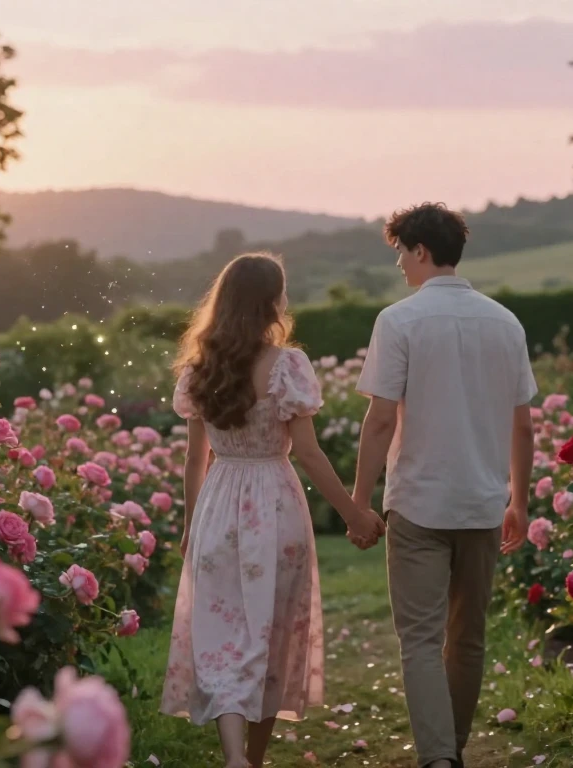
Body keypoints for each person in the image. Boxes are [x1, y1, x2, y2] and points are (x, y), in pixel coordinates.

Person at [160, 252, 387, 768]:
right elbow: (308, 452)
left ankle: (238, 758)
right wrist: (354, 513)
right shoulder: (287, 366)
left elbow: (196, 458)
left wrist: (192, 525)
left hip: (219, 503)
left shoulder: (200, 369)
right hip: (275, 504)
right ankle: (252, 762)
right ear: (271, 302)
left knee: (222, 637)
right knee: (270, 633)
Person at [352, 203, 537, 768]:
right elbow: (523, 423)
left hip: (418, 504)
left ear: (420, 250)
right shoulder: (505, 322)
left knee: (421, 642)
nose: (400, 267)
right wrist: (520, 504)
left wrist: (358, 500)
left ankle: (437, 758)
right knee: (469, 639)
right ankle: (449, 751)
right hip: (483, 504)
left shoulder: (398, 321)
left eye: (401, 254)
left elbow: (381, 420)